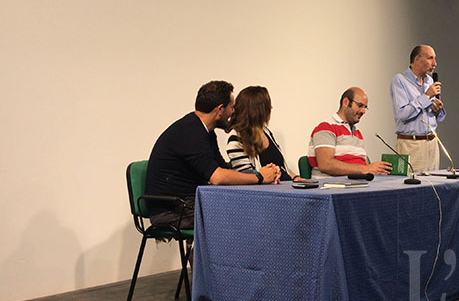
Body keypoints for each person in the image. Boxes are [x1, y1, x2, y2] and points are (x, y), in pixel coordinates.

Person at [145, 80, 281, 235]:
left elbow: (223, 169)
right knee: (246, 217)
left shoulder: (205, 131)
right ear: (220, 109)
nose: (233, 112)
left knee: (249, 210)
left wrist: (263, 173)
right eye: (232, 107)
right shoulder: (190, 132)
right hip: (172, 210)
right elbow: (218, 177)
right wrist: (259, 177)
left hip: (189, 204)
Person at [307, 87, 392, 177]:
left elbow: (364, 165)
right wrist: (366, 169)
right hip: (332, 184)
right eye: (360, 105)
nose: (363, 111)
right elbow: (326, 164)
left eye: (365, 107)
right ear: (346, 102)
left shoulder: (357, 133)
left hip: (356, 183)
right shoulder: (326, 127)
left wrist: (377, 170)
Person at [225, 85, 303, 183]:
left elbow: (282, 166)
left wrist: (295, 177)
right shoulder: (236, 140)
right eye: (268, 105)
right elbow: (247, 177)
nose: (271, 107)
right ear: (258, 110)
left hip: (285, 185)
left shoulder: (266, 132)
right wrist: (272, 174)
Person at [389, 45, 445, 173]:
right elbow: (402, 114)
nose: (435, 63)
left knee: (433, 183)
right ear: (417, 59)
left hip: (432, 143)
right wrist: (426, 96)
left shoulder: (429, 80)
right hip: (411, 145)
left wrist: (438, 110)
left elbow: (434, 116)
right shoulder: (400, 81)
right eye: (430, 58)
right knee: (413, 183)